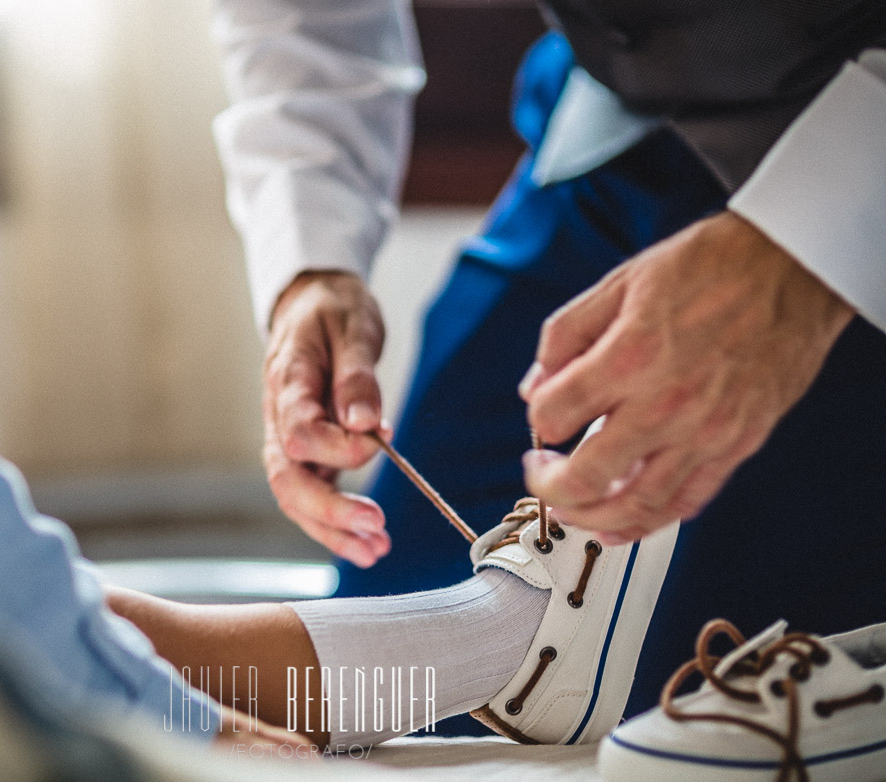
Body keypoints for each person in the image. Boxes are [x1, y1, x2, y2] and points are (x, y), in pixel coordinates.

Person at [0, 0, 671, 757]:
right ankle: (499, 648)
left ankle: (500, 652)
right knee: (3, 651)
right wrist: (196, 732)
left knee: (89, 624)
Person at [210, 0, 886, 723]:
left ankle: (121, 657)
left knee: (704, 712)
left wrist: (805, 248)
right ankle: (115, 652)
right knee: (392, 645)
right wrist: (313, 263)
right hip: (608, 137)